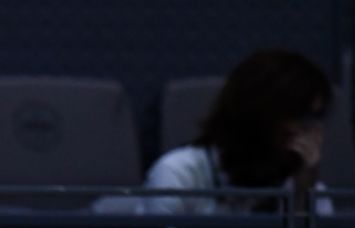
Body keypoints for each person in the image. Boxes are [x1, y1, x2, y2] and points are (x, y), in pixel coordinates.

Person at [143, 49, 334, 215]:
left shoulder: (305, 187)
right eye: (294, 115)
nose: (301, 134)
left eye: (312, 119)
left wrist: (301, 199)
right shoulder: (178, 176)